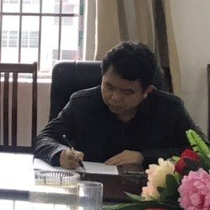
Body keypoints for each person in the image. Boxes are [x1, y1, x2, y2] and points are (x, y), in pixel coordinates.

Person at [34, 42, 197, 169]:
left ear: (146, 91)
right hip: (92, 187)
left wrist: (144, 157)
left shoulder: (170, 108)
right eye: (109, 87)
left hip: (148, 193)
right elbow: (44, 138)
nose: (115, 97)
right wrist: (60, 153)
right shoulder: (82, 103)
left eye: (127, 92)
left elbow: (201, 152)